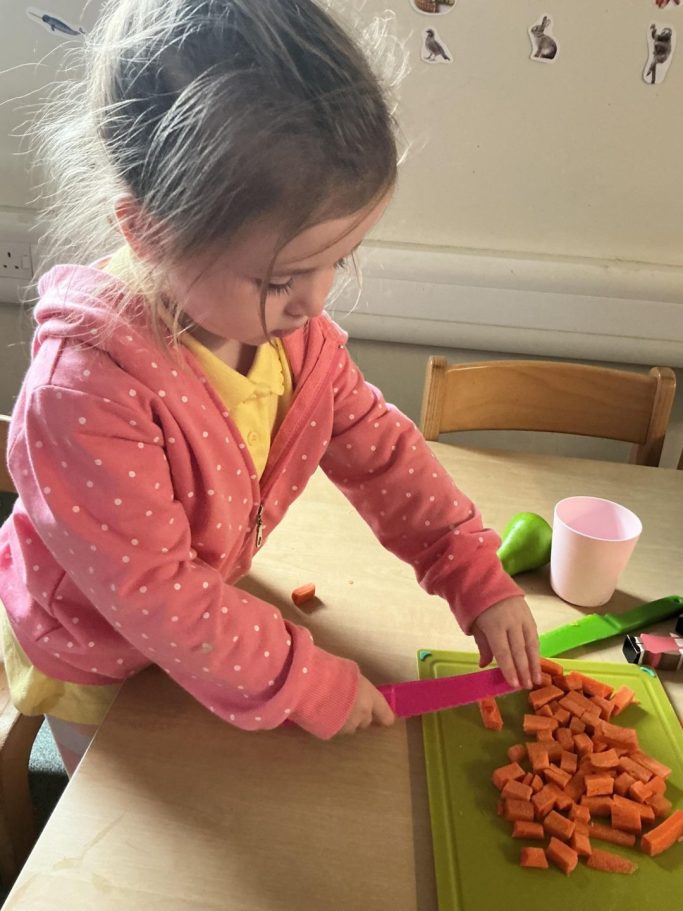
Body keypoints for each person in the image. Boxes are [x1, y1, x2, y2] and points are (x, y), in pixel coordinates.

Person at [0, 0, 540, 776]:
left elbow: (380, 451)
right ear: (148, 232)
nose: (315, 303)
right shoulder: (83, 393)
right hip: (96, 647)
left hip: (206, 617)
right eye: (282, 278)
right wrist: (305, 679)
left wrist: (471, 571)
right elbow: (159, 594)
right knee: (129, 815)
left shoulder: (287, 335)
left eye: (337, 262)